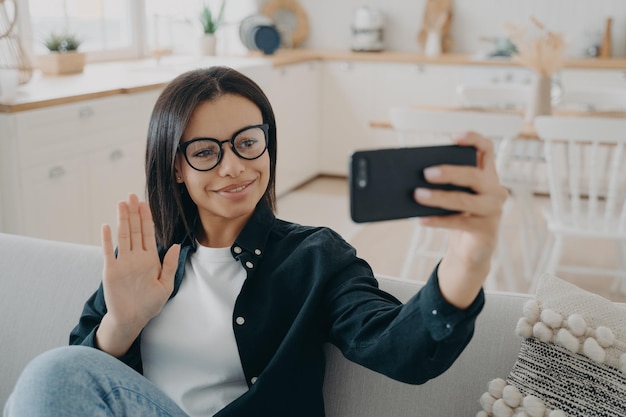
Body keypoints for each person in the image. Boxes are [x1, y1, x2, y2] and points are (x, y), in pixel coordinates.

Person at [4, 66, 507, 417]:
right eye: (205, 152)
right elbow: (79, 385)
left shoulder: (315, 259)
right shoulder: (144, 260)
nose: (234, 167)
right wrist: (122, 323)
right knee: (57, 371)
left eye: (247, 142)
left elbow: (403, 350)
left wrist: (470, 254)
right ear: (175, 167)